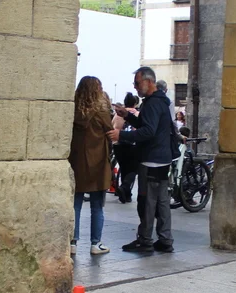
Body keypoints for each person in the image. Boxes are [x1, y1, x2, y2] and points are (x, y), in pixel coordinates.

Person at [109, 67, 176, 254]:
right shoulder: (160, 101)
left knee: (146, 202)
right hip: (162, 159)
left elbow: (148, 131)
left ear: (149, 81)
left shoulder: (153, 103)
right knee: (162, 202)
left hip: (151, 160)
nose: (135, 87)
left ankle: (145, 239)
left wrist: (121, 135)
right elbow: (147, 124)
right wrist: (128, 116)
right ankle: (165, 239)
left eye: (137, 83)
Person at [69, 76, 112, 256]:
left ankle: (72, 242)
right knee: (97, 205)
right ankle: (96, 243)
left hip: (77, 161)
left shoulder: (72, 112)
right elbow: (110, 134)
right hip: (98, 163)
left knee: (75, 204)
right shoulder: (102, 113)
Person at [112, 92, 140, 203]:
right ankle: (125, 187)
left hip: (118, 145)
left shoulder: (117, 115)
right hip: (132, 145)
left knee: (123, 168)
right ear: (134, 103)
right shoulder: (137, 114)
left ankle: (126, 194)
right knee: (133, 169)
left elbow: (112, 126)